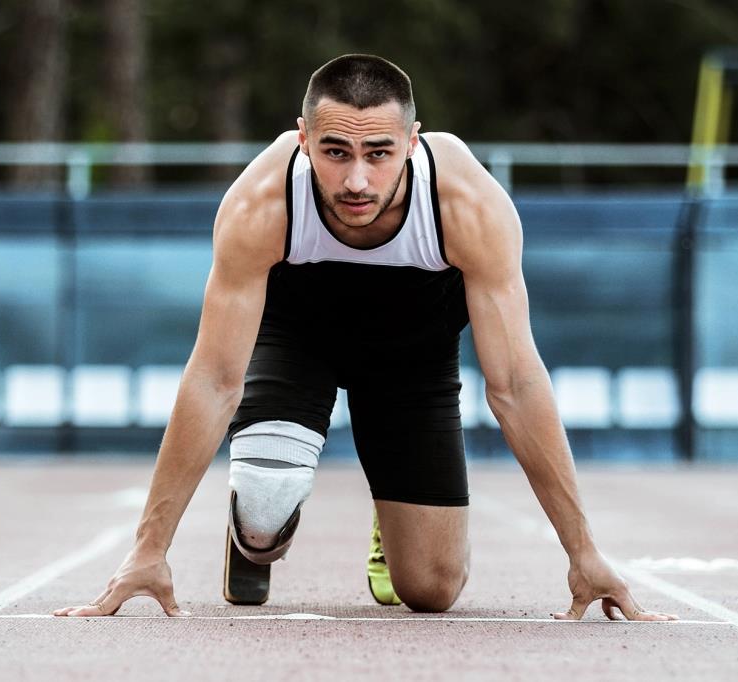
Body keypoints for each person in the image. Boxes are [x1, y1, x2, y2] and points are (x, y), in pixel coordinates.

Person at [55, 54, 677, 621]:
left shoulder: (467, 205)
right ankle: (251, 532)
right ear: (303, 140)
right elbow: (215, 378)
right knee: (267, 504)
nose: (356, 180)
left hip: (412, 356)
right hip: (298, 336)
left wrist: (583, 551)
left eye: (379, 153)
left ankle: (390, 511)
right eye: (335, 152)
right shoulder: (262, 203)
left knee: (432, 590)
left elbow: (514, 384)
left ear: (412, 142)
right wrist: (149, 550)